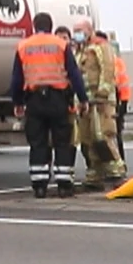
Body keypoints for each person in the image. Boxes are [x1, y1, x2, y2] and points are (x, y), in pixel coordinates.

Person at [13, 12, 88, 198]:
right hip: (58, 100)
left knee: (38, 143)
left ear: (34, 25)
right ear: (50, 25)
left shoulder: (23, 46)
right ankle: (64, 185)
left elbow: (16, 78)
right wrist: (83, 98)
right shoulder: (60, 45)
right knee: (62, 142)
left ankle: (39, 186)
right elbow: (74, 74)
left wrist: (17, 102)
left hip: (34, 100)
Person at [75, 22, 127, 187]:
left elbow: (107, 69)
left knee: (102, 135)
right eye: (75, 31)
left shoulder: (100, 47)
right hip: (85, 102)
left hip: (101, 101)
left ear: (90, 31)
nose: (77, 34)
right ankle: (94, 173)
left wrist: (103, 93)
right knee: (87, 138)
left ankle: (116, 172)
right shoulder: (80, 50)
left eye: (80, 31)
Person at [111, 34, 131, 162]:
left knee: (115, 136)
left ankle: (119, 162)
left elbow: (123, 85)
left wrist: (122, 105)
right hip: (112, 100)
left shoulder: (116, 63)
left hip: (115, 101)